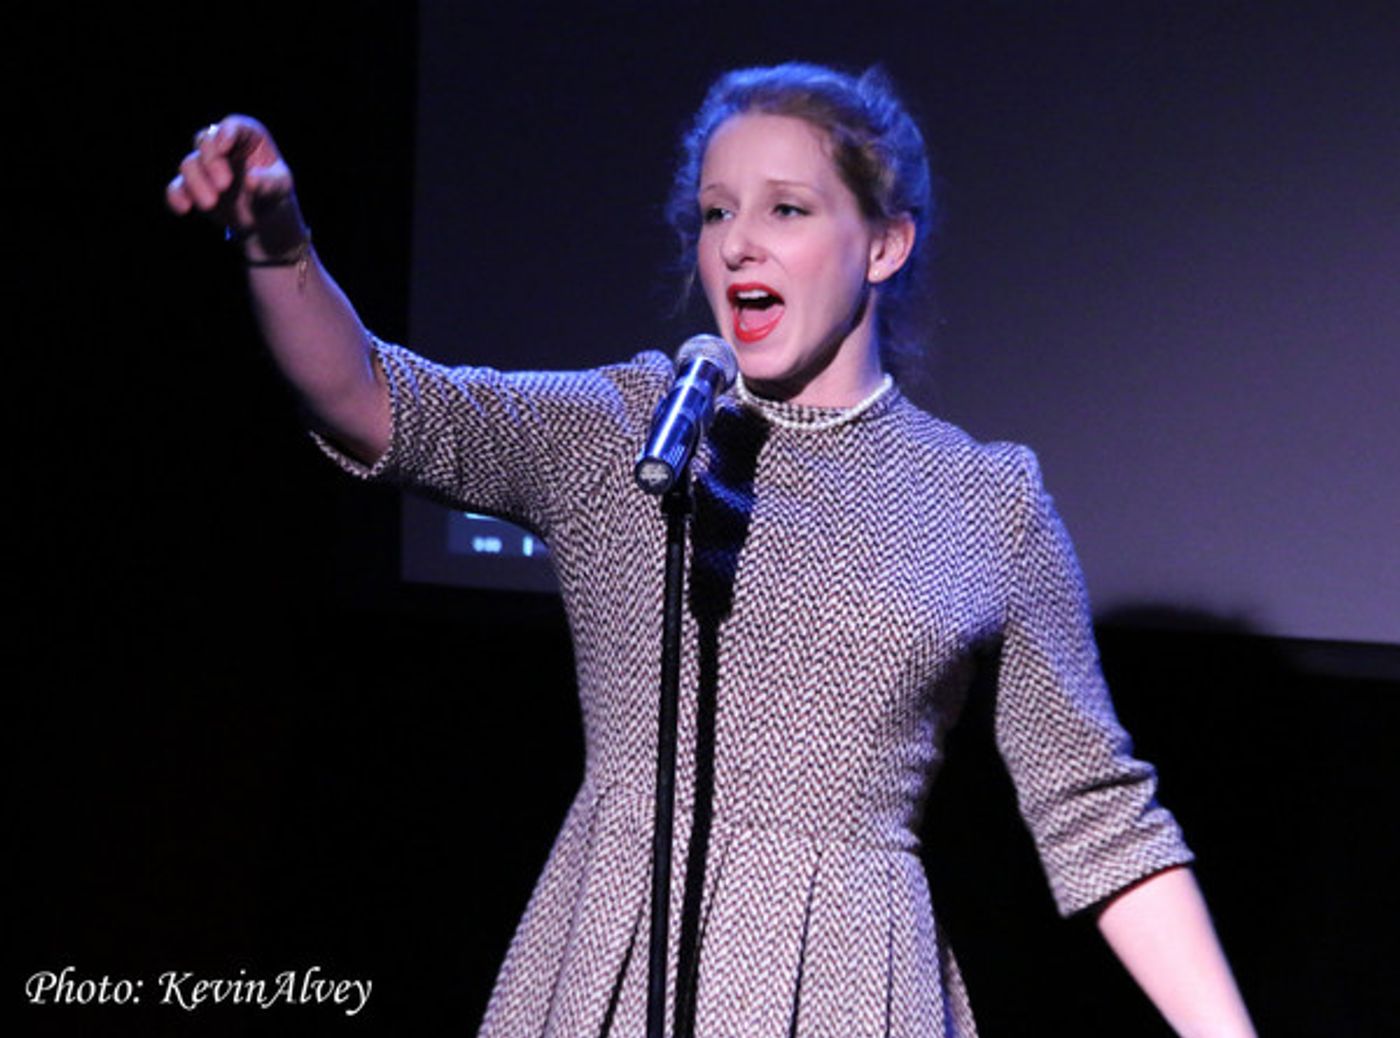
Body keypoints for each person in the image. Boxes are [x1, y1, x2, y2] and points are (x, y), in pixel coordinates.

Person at [168, 63, 1256, 1037]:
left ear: (883, 242)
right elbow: (373, 399)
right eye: (715, 212)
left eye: (786, 209)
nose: (738, 242)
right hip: (613, 948)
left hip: (848, 981)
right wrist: (279, 244)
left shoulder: (984, 500)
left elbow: (1097, 815)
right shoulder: (635, 429)